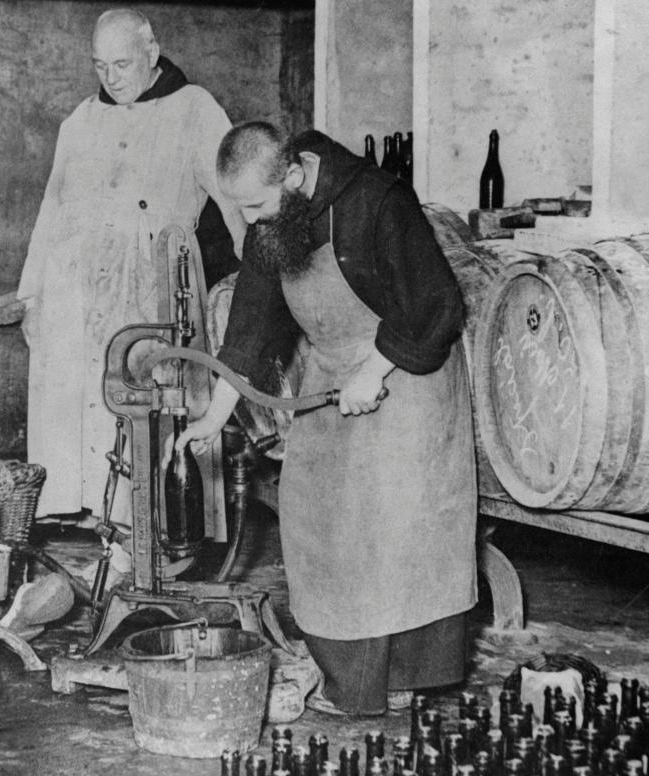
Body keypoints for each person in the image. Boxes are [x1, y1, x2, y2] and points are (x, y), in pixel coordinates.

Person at [177, 122, 477, 716]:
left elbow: (437, 301)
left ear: (293, 176)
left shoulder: (377, 201)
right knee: (316, 518)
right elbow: (251, 325)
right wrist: (213, 416)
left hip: (407, 370)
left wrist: (375, 371)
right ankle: (353, 681)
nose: (252, 220)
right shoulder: (273, 223)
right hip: (332, 379)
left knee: (396, 532)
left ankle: (401, 680)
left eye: (258, 206)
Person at [17, 8, 245, 525]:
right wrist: (33, 296)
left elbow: (237, 196)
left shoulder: (195, 109)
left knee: (145, 392)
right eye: (100, 66)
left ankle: (147, 524)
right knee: (76, 393)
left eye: (122, 64)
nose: (111, 78)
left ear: (152, 51)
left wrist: (258, 266)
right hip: (74, 283)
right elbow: (51, 208)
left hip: (151, 282)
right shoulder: (80, 119)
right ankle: (78, 514)